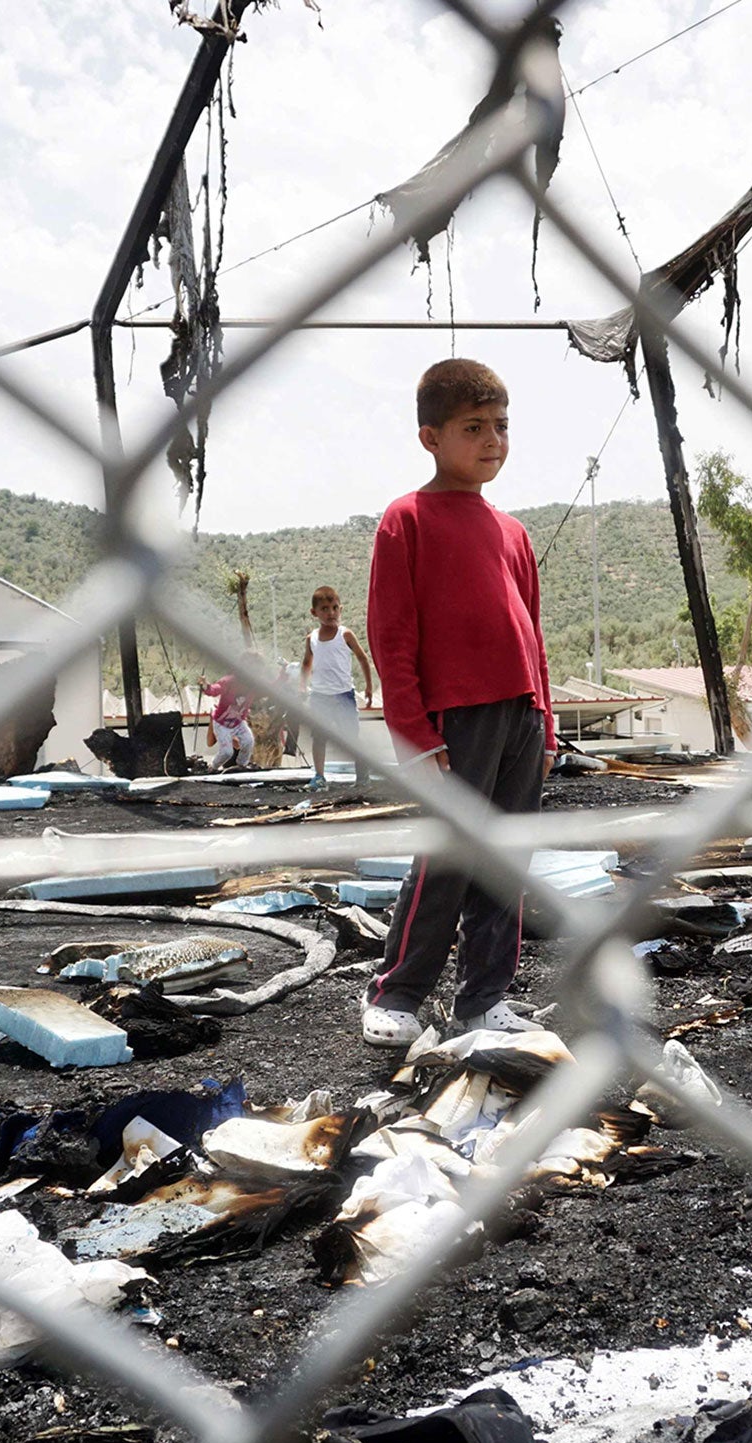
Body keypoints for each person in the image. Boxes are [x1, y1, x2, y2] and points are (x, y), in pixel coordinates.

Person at [359, 358, 555, 1048]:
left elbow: (533, 634)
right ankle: (397, 993)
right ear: (431, 437)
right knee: (446, 860)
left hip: (521, 717)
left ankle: (483, 1002)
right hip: (454, 721)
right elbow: (391, 636)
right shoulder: (405, 520)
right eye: (474, 427)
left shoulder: (514, 533)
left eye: (501, 426)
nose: (493, 440)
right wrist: (414, 731)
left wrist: (547, 725)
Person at [299, 585, 375, 791]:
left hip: (343, 695)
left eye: (334, 608)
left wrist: (368, 686)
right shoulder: (311, 639)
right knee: (319, 736)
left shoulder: (345, 635)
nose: (331, 613)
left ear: (340, 609)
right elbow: (306, 663)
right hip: (319, 696)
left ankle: (362, 775)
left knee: (350, 736)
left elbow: (362, 658)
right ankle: (319, 776)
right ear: (314, 613)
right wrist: (301, 686)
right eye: (324, 609)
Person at [197, 658, 258, 771]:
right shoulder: (229, 682)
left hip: (238, 723)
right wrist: (206, 686)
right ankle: (213, 767)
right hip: (222, 724)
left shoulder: (254, 686)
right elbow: (215, 689)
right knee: (226, 752)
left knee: (249, 741)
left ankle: (242, 765)